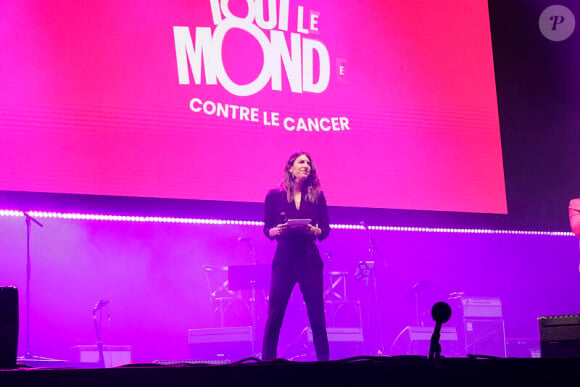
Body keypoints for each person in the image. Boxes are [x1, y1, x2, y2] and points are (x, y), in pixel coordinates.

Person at [261, 151, 331, 361]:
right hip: (285, 259)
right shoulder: (274, 195)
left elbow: (325, 230)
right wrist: (276, 231)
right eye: (301, 162)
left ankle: (325, 366)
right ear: (290, 168)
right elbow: (267, 229)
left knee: (317, 316)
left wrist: (315, 231)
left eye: (309, 163)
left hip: (309, 260)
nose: (306, 166)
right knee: (275, 315)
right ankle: (267, 365)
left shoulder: (318, 196)